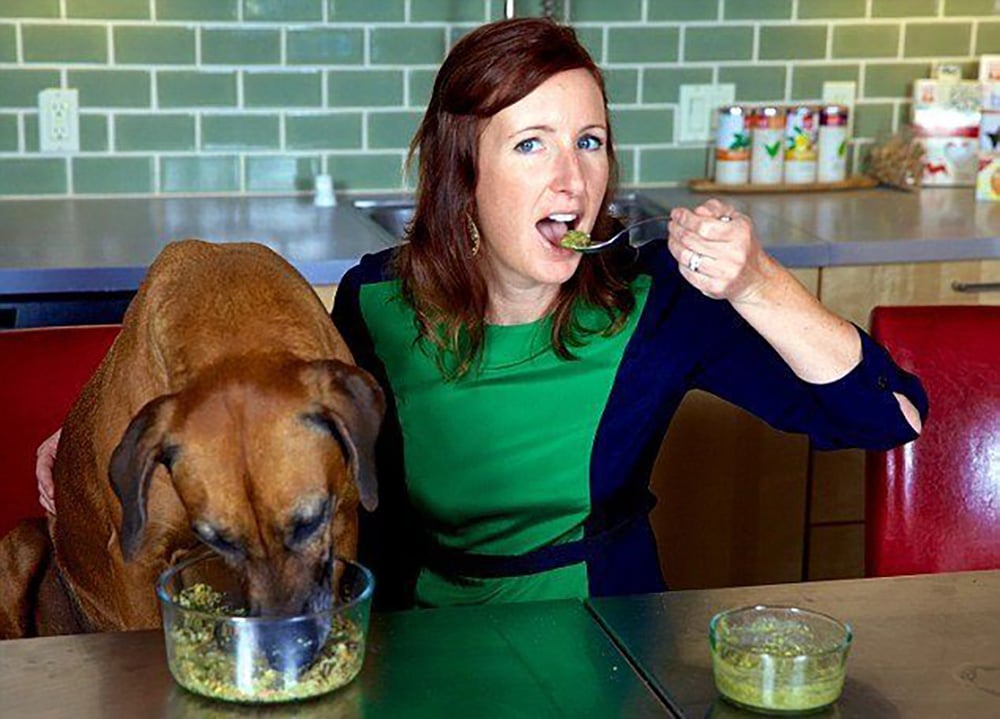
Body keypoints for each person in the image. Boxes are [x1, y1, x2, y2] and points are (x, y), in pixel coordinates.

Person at [38, 18, 926, 610]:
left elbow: (887, 419)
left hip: (606, 638)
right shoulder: (376, 300)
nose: (571, 180)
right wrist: (94, 452)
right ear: (463, 174)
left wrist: (758, 280)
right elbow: (270, 431)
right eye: (530, 144)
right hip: (415, 641)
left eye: (589, 142)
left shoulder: (657, 303)